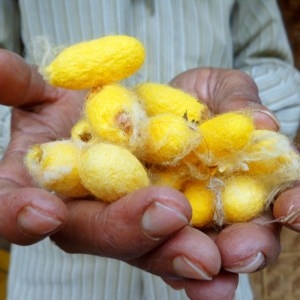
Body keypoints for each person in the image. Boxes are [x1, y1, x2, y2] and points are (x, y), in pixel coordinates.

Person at [0, 1, 300, 299]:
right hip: (52, 279)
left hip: (215, 262)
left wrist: (244, 111)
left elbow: (269, 60)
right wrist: (15, 134)